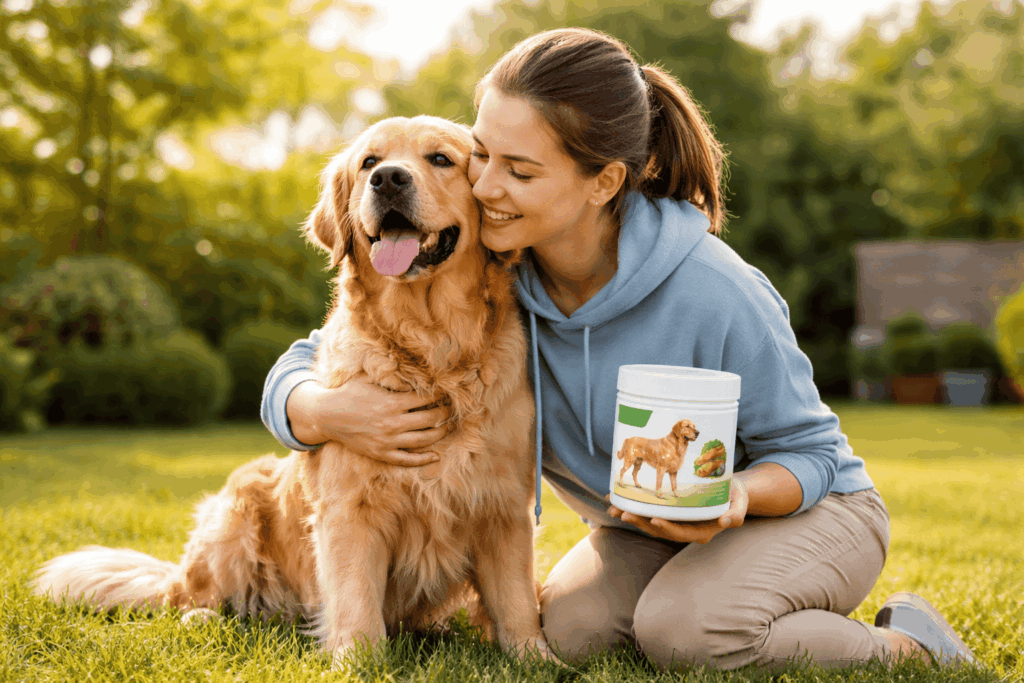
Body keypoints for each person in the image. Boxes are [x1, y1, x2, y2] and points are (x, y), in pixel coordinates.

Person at [261, 27, 977, 673]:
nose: (483, 186)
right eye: (482, 156)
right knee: (568, 632)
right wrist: (322, 409)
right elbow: (310, 358)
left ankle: (907, 642)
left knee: (684, 633)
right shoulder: (497, 281)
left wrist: (733, 497)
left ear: (603, 181)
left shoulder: (714, 289)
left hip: (815, 511)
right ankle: (724, 593)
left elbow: (815, 455)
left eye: (518, 169)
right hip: (651, 527)